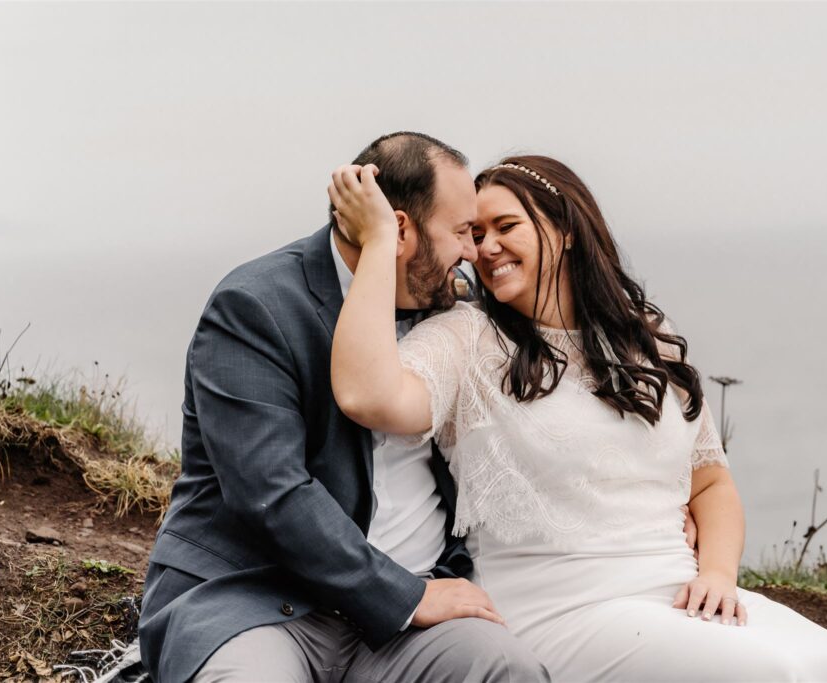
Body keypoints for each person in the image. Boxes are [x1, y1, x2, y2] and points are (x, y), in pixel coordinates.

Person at [329, 155, 827, 682]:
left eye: (505, 226)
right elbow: (366, 396)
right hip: (561, 610)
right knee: (775, 674)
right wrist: (380, 242)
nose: (485, 248)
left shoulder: (647, 339)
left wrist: (717, 575)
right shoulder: (466, 339)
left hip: (679, 592)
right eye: (475, 233)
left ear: (566, 228)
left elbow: (711, 482)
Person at [137, 132, 549, 683]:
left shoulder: (451, 310)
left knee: (508, 669)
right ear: (398, 230)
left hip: (414, 618)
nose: (473, 254)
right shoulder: (256, 305)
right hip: (259, 604)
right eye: (459, 233)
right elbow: (272, 495)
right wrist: (403, 596)